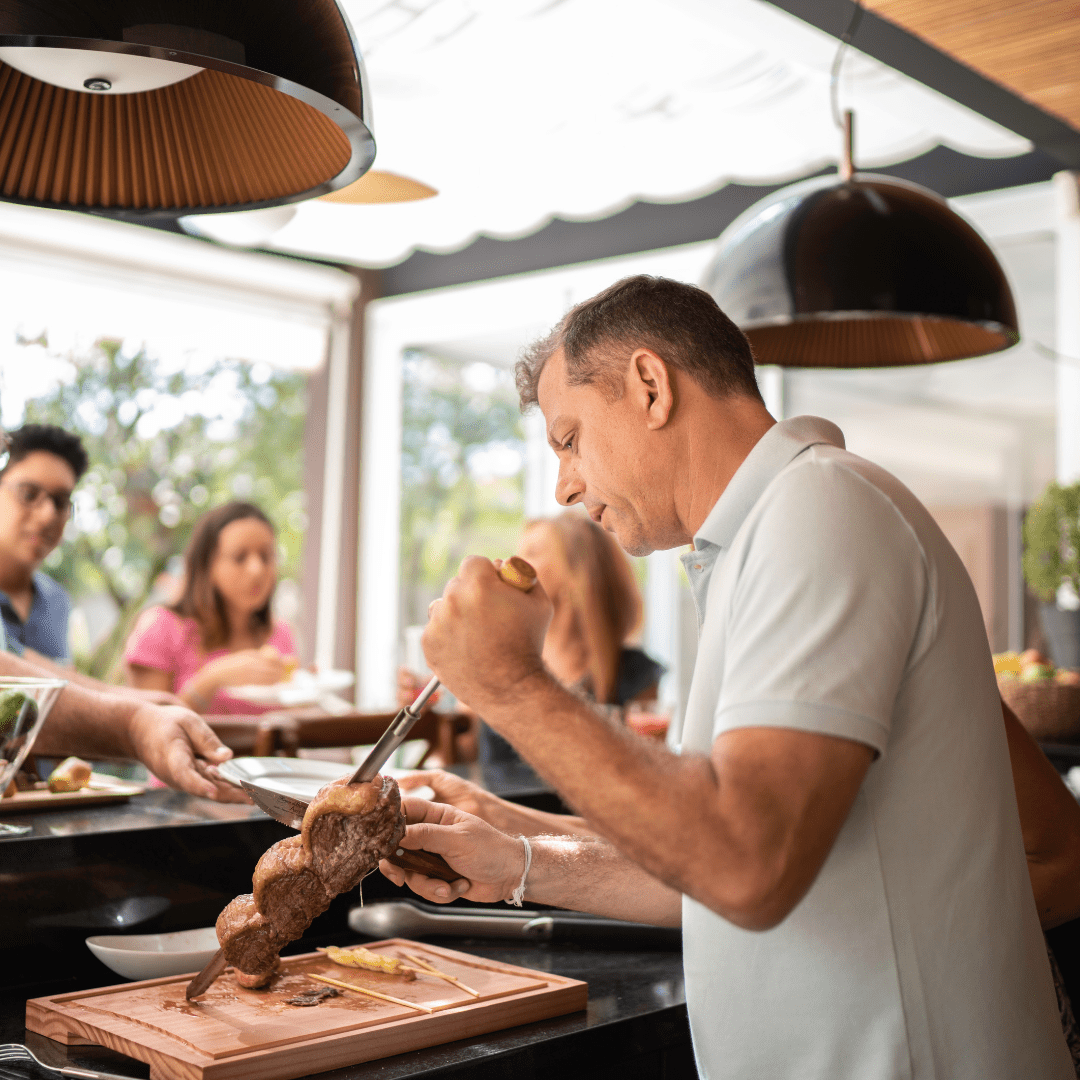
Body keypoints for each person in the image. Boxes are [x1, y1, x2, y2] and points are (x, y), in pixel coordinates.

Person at [381, 276, 1073, 1078]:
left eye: (569, 439)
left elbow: (745, 865)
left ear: (649, 385)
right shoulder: (767, 539)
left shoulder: (820, 511)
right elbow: (721, 857)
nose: (565, 486)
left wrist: (508, 683)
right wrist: (520, 850)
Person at [398, 511, 664, 765]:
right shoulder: (493, 657)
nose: (509, 563)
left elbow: (645, 772)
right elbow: (464, 754)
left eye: (532, 553)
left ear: (576, 575)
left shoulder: (635, 674)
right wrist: (426, 714)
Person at [124, 501, 296, 715]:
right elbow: (146, 724)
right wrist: (213, 679)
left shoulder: (279, 634)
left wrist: (304, 688)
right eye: (239, 557)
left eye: (266, 556)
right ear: (207, 564)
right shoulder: (161, 626)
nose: (257, 570)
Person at [0, 424, 86, 662]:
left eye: (60, 502)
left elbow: (64, 682)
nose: (48, 515)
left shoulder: (57, 601)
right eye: (28, 494)